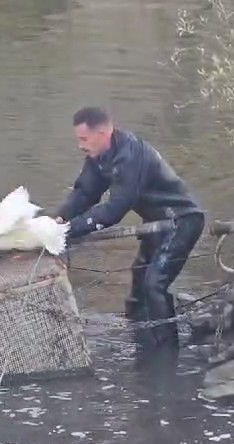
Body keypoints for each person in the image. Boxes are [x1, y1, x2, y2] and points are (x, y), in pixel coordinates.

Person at [55, 106, 205, 346]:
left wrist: (71, 231)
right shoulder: (100, 157)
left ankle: (165, 353)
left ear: (102, 132)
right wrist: (60, 220)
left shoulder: (130, 156)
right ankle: (138, 335)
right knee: (139, 283)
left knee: (155, 284)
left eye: (83, 139)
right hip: (155, 224)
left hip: (182, 221)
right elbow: (85, 193)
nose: (80, 145)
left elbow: (115, 210)